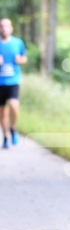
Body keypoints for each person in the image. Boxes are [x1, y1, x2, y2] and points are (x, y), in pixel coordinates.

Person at [0, 18, 27, 149]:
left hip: (13, 80)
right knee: (2, 112)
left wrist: (19, 60)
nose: (4, 29)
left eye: (6, 26)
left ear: (11, 28)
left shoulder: (18, 43)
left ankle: (12, 128)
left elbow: (24, 58)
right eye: (2, 26)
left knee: (13, 106)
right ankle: (5, 137)